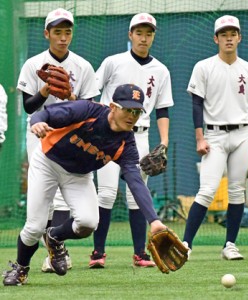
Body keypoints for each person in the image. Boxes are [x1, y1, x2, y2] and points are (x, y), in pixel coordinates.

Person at [2, 84, 168, 286]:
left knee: (88, 223)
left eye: (136, 111)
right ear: (113, 107)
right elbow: (45, 115)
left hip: (78, 176)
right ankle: (21, 268)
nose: (132, 115)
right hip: (47, 162)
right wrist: (36, 123)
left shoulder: (127, 143)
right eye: (127, 109)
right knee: (35, 226)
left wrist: (154, 221)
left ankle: (54, 237)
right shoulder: (88, 111)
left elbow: (136, 182)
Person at [17, 8, 98, 272]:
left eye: (67, 31)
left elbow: (90, 109)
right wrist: (45, 89)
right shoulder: (32, 64)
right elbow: (29, 107)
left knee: (64, 202)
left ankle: (54, 253)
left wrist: (72, 97)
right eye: (57, 32)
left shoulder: (83, 66)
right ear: (47, 34)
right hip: (40, 137)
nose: (63, 37)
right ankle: (46, 251)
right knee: (44, 203)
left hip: (70, 140)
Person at [89, 12, 174, 268]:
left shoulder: (161, 70)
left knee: (137, 195)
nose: (144, 37)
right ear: (130, 34)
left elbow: (163, 109)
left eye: (148, 33)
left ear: (153, 36)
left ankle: (140, 254)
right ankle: (98, 253)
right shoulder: (113, 62)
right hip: (108, 135)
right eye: (139, 32)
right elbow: (92, 94)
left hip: (141, 136)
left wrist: (164, 142)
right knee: (105, 194)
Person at [183, 15, 248, 260]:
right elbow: (196, 105)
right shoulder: (204, 67)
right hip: (214, 135)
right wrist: (200, 137)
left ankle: (230, 244)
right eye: (224, 34)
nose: (228, 38)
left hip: (242, 134)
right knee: (207, 190)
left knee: (238, 191)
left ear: (239, 37)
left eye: (233, 33)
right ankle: (186, 244)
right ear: (216, 38)